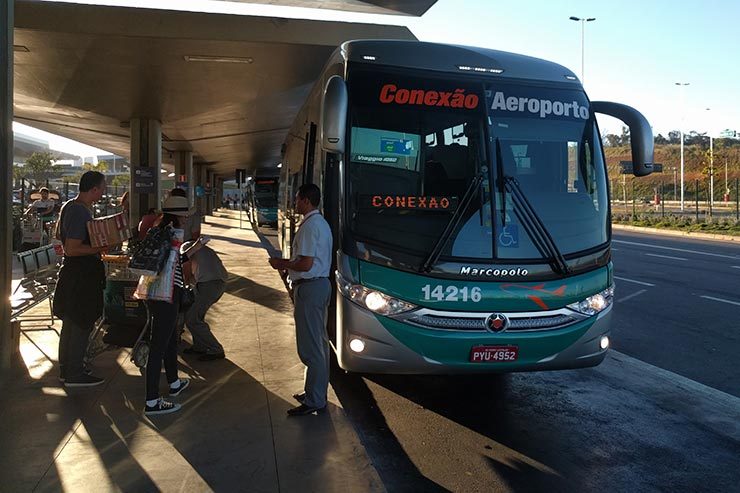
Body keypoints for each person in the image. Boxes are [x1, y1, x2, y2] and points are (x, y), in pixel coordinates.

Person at [268, 183, 332, 416]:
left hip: (310, 288)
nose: (294, 203)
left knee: (311, 348)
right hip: (320, 286)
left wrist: (282, 264)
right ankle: (316, 392)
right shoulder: (320, 223)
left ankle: (315, 400)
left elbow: (305, 264)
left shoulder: (310, 226)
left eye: (296, 199)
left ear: (306, 201)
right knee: (319, 344)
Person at [53, 172, 109, 387]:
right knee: (80, 322)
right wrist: (101, 247)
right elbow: (73, 248)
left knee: (71, 323)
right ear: (94, 189)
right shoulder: (79, 211)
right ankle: (74, 373)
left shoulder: (71, 206)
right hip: (81, 277)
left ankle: (67, 369)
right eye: (103, 188)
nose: (104, 191)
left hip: (73, 275)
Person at [142, 195, 191, 415]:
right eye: (185, 216)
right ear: (179, 216)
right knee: (159, 346)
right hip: (167, 294)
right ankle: (152, 401)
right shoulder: (174, 234)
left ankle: (173, 382)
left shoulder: (156, 230)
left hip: (154, 293)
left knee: (170, 339)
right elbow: (176, 266)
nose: (187, 220)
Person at [180, 236, 228, 361]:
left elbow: (186, 274)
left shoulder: (185, 250)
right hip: (218, 283)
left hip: (209, 284)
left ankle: (216, 349)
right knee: (197, 315)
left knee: (192, 319)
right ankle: (199, 346)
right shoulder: (204, 249)